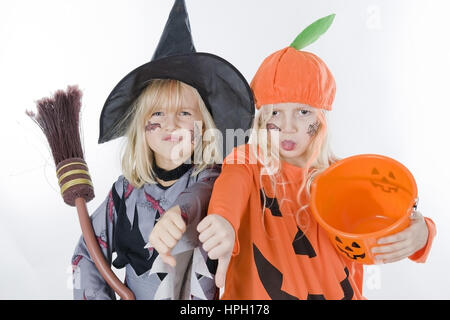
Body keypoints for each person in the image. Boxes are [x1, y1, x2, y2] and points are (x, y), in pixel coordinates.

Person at [196, 14, 436, 299]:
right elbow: (230, 188)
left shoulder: (342, 177)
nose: (288, 126)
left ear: (321, 118)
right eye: (276, 112)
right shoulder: (247, 162)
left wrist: (422, 233)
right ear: (261, 120)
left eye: (303, 111)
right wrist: (223, 220)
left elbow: (389, 214)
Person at [71, 0, 254, 300]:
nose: (170, 124)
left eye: (183, 113)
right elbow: (86, 255)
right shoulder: (123, 194)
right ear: (141, 127)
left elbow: (197, 200)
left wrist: (178, 215)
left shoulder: (214, 182)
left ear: (203, 127)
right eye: (157, 114)